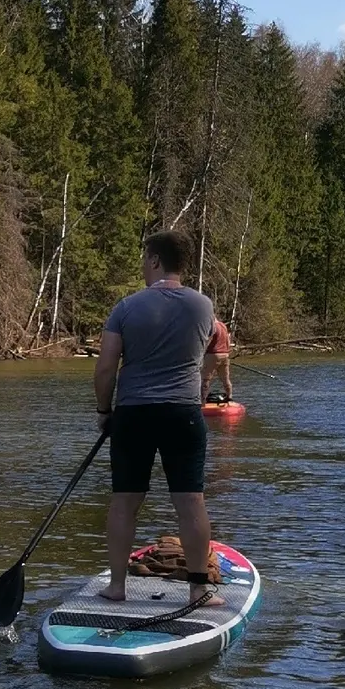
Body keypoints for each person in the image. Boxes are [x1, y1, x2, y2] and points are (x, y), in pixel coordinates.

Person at [93, 230, 216, 606]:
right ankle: (198, 590)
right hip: (182, 414)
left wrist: (104, 412)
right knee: (191, 502)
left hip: (134, 415)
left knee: (124, 502)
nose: (144, 266)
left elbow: (105, 369)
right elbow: (211, 356)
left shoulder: (126, 307)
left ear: (156, 260)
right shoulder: (204, 306)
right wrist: (201, 390)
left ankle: (117, 587)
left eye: (146, 259)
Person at [202, 317, 235, 405]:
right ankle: (229, 397)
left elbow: (208, 341)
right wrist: (227, 352)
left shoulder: (212, 327)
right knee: (226, 379)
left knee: (205, 379)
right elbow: (228, 340)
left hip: (213, 355)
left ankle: (202, 401)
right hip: (225, 354)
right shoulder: (223, 325)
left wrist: (202, 352)